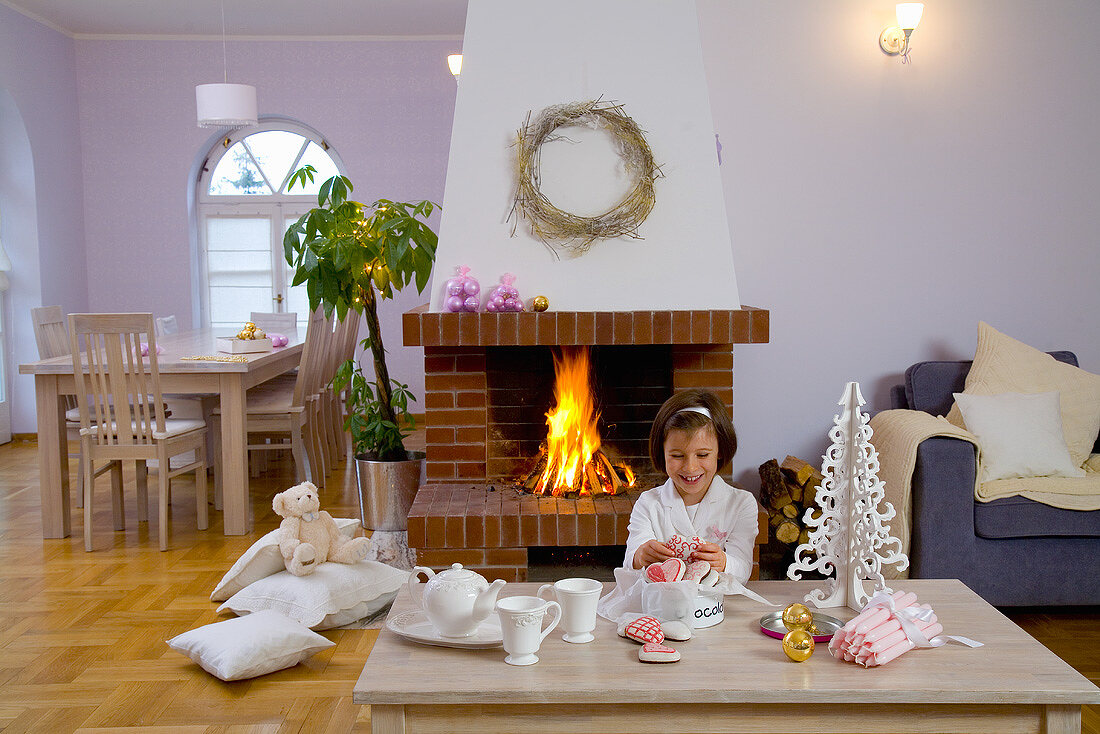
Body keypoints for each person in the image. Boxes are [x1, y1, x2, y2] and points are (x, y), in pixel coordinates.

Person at [623, 388, 758, 585]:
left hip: (713, 607)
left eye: (702, 455)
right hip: (661, 606)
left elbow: (743, 569)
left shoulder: (741, 504)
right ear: (662, 452)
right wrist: (640, 556)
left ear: (720, 451)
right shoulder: (648, 503)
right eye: (677, 456)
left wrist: (724, 562)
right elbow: (630, 562)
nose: (690, 467)